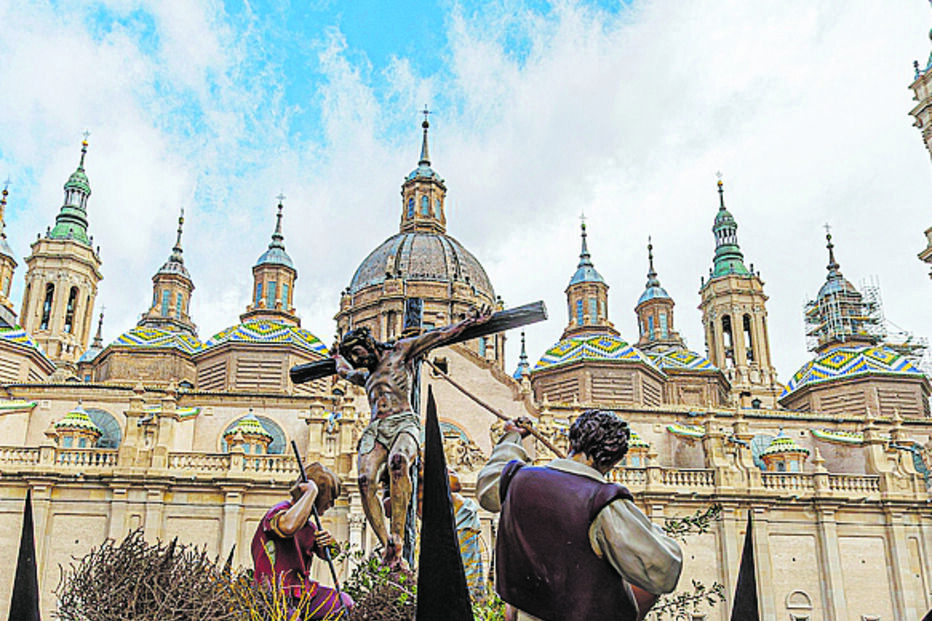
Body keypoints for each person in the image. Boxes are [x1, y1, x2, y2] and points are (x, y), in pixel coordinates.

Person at [477, 409, 682, 621]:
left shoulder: (517, 478)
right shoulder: (604, 501)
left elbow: (489, 488)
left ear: (571, 444)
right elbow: (664, 570)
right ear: (615, 461)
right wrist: (653, 532)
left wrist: (512, 437)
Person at [333, 311, 490, 567]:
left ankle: (398, 534)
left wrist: (469, 322)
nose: (358, 361)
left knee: (398, 462)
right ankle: (388, 545)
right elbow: (343, 372)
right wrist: (338, 357)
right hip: (377, 428)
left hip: (403, 421)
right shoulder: (365, 375)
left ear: (370, 344)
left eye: (360, 354)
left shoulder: (400, 352)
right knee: (363, 480)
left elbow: (438, 335)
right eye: (354, 358)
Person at [251, 462, 354, 618]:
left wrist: (331, 543)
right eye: (329, 498)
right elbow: (288, 527)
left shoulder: (309, 527)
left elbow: (329, 555)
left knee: (343, 603)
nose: (331, 505)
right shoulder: (279, 513)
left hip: (303, 593)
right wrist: (310, 493)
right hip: (274, 595)